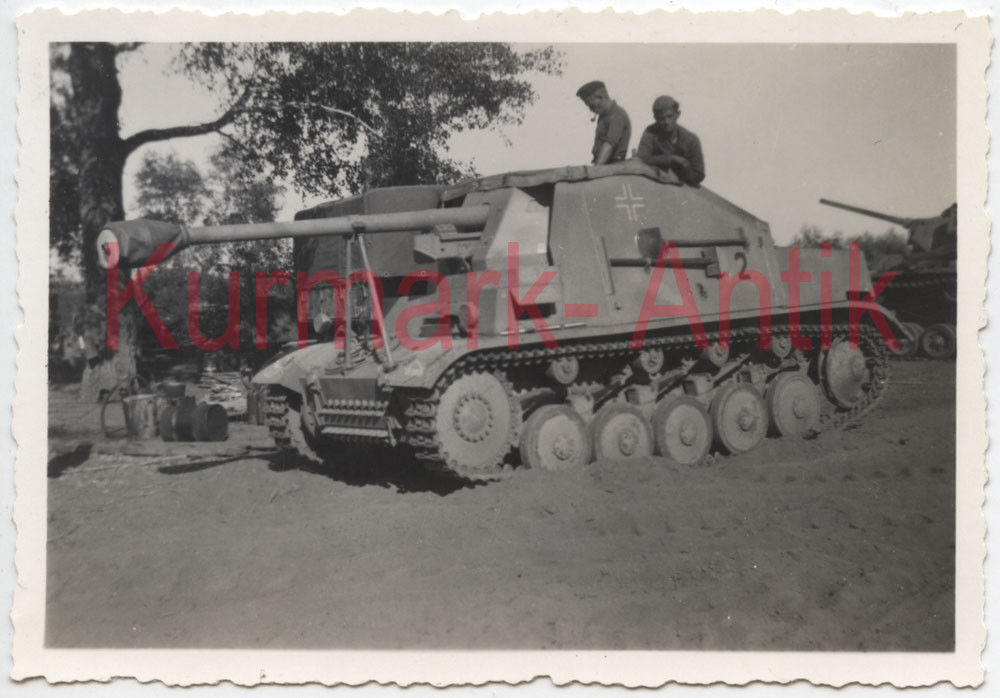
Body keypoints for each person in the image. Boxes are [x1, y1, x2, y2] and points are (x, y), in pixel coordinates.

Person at [636, 95, 705, 186]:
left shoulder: (691, 140)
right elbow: (640, 159)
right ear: (655, 118)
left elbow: (699, 176)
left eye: (669, 116)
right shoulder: (651, 132)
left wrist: (686, 166)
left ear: (678, 114)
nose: (666, 122)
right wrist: (671, 158)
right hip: (656, 183)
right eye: (661, 118)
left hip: (683, 188)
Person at [576, 81, 631, 165]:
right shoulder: (605, 116)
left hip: (613, 165)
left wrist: (596, 170)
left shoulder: (617, 115)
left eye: (591, 105)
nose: (590, 109)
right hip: (604, 164)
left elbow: (609, 145)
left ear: (600, 97)